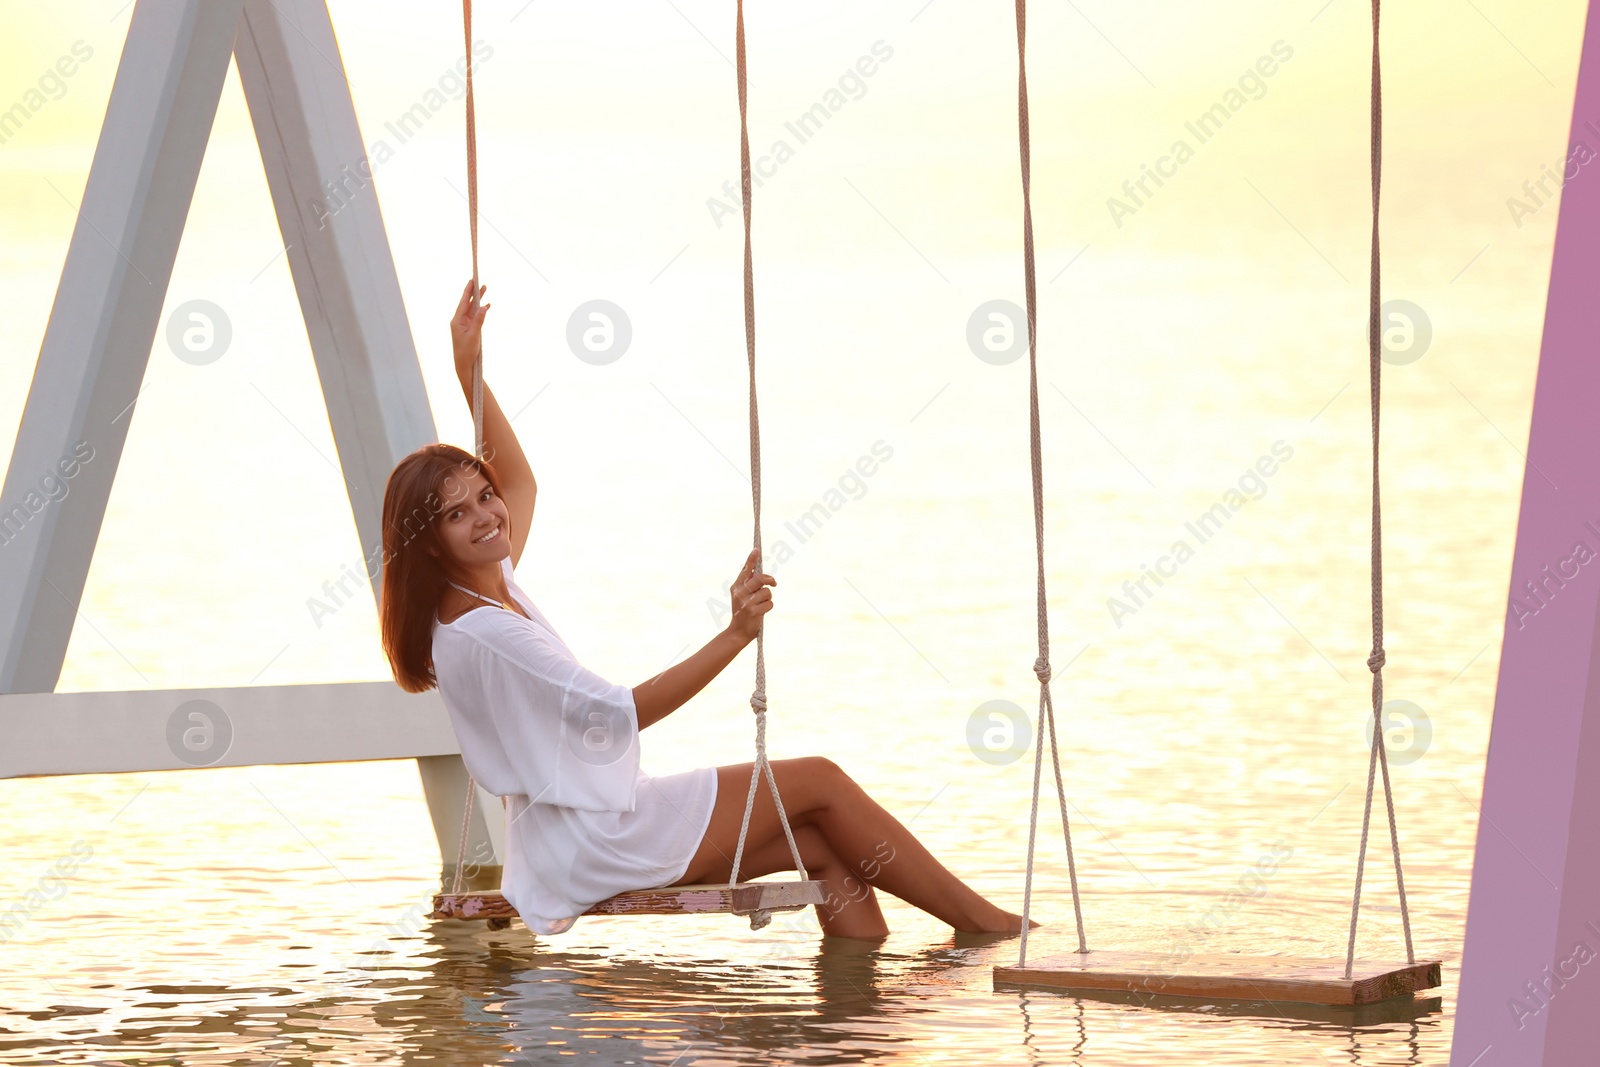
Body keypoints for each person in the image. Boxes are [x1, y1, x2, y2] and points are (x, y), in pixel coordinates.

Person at [378, 280, 1034, 939]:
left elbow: (520, 480)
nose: (489, 515)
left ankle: (855, 1020)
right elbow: (622, 712)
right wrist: (736, 633)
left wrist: (470, 374)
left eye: (482, 496)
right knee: (823, 782)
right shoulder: (487, 631)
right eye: (456, 514)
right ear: (428, 543)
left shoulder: (488, 582)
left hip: (581, 829)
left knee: (828, 849)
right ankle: (988, 927)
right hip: (589, 841)